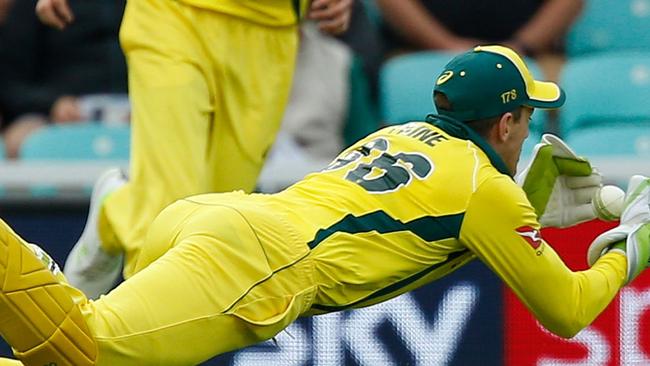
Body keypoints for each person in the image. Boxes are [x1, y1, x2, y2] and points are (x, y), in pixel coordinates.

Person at [0, 45, 649, 366]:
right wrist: (632, 246)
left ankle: (122, 212)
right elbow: (566, 312)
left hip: (210, 219)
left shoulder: (399, 131)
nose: (531, 127)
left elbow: (430, 225)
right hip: (250, 267)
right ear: (506, 123)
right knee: (79, 350)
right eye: (527, 114)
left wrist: (528, 208)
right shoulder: (488, 191)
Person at [34, 0, 355, 299]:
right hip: (171, 15)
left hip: (268, 33)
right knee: (168, 227)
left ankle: (118, 212)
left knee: (213, 226)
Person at [0, 0, 128, 158]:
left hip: (139, 106)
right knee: (16, 143)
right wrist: (53, 104)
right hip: (54, 115)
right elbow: (11, 82)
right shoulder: (32, 6)